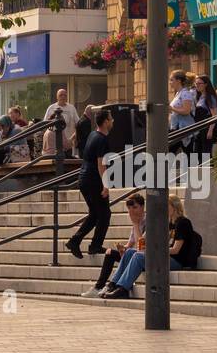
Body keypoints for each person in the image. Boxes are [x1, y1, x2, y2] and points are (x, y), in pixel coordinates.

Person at [101, 193, 201, 299]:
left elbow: (176, 250)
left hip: (177, 261)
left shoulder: (183, 223)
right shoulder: (168, 223)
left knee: (138, 256)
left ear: (174, 207)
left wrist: (155, 251)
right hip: (164, 257)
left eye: (166, 205)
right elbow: (144, 244)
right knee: (130, 252)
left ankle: (123, 288)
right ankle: (113, 284)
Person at [66, 108, 114, 259]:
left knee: (95, 214)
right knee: (105, 214)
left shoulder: (93, 134)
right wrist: (106, 185)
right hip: (94, 181)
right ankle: (95, 246)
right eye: (111, 118)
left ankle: (75, 241)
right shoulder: (102, 139)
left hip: (84, 179)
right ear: (106, 122)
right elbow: (101, 164)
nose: (112, 121)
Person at [82, 192, 144, 298]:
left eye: (135, 207)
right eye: (129, 208)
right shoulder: (136, 222)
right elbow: (129, 245)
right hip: (135, 254)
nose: (132, 211)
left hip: (142, 255)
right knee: (110, 252)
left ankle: (118, 286)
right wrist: (122, 248)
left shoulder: (147, 221)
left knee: (133, 254)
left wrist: (135, 224)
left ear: (142, 207)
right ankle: (102, 286)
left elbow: (141, 246)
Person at [43, 87, 80, 158]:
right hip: (56, 144)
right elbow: (45, 124)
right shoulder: (51, 108)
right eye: (61, 95)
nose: (63, 97)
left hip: (68, 142)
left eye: (65, 95)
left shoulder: (71, 108)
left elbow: (78, 123)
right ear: (57, 97)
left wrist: (75, 135)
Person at [192, 75, 217, 155]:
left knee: (206, 151)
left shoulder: (210, 97)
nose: (196, 85)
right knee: (197, 151)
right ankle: (199, 166)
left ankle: (206, 167)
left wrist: (210, 130)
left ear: (206, 84)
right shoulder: (199, 96)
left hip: (207, 127)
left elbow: (214, 115)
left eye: (199, 83)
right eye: (196, 83)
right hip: (199, 127)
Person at [168, 70, 196, 141]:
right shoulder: (178, 93)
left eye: (171, 80)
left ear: (179, 81)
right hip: (176, 127)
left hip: (183, 128)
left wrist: (172, 108)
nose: (170, 82)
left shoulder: (185, 93)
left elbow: (186, 111)